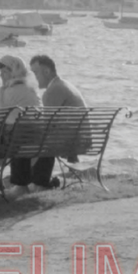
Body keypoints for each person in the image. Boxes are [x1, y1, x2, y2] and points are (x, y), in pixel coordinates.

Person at [27, 54, 85, 189]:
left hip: (69, 141)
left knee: (23, 141)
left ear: (46, 71)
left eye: (35, 73)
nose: (33, 78)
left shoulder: (52, 91)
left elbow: (46, 126)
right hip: (77, 138)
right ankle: (39, 181)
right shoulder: (64, 84)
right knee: (36, 140)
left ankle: (34, 183)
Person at [0, 54, 42, 196]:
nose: (1, 76)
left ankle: (20, 186)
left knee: (10, 134)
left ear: (14, 72)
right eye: (0, 73)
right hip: (39, 141)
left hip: (18, 142)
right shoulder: (32, 89)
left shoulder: (8, 91)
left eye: (5, 72)